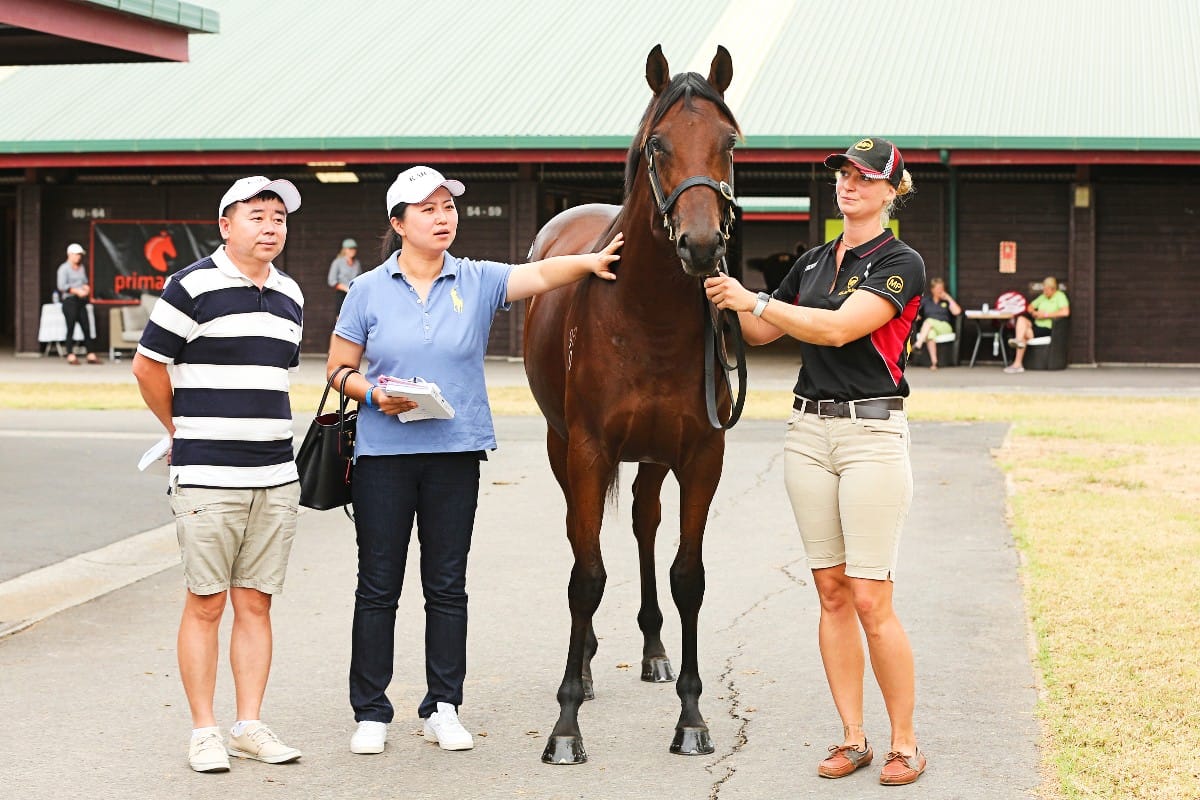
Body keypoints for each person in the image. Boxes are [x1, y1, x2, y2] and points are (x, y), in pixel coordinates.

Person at [327, 165, 621, 757]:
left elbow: (541, 274)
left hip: (454, 454)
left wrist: (590, 262)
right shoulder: (367, 289)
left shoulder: (477, 278)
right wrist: (374, 394)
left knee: (447, 585)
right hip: (384, 455)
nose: (443, 218)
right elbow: (338, 368)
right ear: (398, 223)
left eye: (448, 207)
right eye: (428, 210)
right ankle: (371, 711)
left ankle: (443, 706)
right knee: (378, 586)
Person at [704, 137, 928, 786]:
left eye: (864, 177)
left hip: (871, 435)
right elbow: (759, 332)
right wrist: (719, 285)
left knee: (870, 597)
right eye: (842, 175)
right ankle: (854, 737)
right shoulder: (812, 261)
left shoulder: (901, 262)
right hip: (808, 433)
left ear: (892, 191)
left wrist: (754, 301)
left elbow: (837, 328)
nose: (848, 185)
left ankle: (905, 743)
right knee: (831, 593)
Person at [132, 176, 306, 774]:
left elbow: (274, 376)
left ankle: (248, 725)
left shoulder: (290, 293)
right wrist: (178, 429)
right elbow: (148, 366)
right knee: (206, 602)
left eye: (279, 217)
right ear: (226, 226)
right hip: (208, 474)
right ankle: (204, 731)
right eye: (257, 216)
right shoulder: (191, 286)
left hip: (276, 474)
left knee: (256, 603)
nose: (270, 227)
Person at [1004, 276, 1069, 373]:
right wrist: (1035, 313)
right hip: (1036, 325)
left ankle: (1017, 363)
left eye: (1046, 290)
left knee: (1024, 334)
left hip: (1048, 328)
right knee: (1021, 320)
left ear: (1053, 289)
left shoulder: (1060, 297)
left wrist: (1046, 315)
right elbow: (1030, 307)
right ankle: (1018, 342)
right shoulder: (1043, 297)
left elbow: (1065, 312)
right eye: (1044, 289)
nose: (1044, 292)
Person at [55, 243, 100, 364]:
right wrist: (76, 291)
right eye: (77, 254)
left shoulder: (81, 268)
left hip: (81, 302)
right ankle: (70, 354)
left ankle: (90, 354)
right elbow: (61, 286)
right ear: (70, 255)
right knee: (70, 327)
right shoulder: (63, 269)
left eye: (80, 255)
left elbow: (84, 281)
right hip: (70, 301)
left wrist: (86, 288)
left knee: (86, 327)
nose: (79, 257)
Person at [911, 277, 961, 370]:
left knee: (929, 321)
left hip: (945, 327)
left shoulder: (947, 301)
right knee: (930, 333)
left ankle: (918, 344)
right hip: (930, 328)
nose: (940, 290)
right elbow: (915, 311)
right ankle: (934, 362)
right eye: (938, 288)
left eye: (942, 288)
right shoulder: (926, 301)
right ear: (932, 289)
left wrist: (948, 298)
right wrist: (916, 315)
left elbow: (957, 312)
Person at [327, 237, 361, 316]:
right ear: (345, 250)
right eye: (350, 249)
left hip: (355, 295)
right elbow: (332, 281)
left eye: (354, 249)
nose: (353, 251)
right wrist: (346, 289)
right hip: (342, 295)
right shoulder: (337, 262)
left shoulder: (357, 263)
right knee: (341, 317)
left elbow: (360, 277)